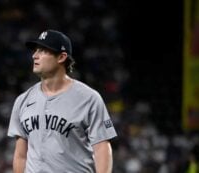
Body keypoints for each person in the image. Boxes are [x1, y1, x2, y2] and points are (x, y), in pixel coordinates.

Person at [7, 29, 117, 173]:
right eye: (35, 51)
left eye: (43, 51)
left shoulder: (88, 98)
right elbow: (21, 156)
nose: (35, 56)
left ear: (61, 57)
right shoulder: (22, 100)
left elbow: (102, 147)